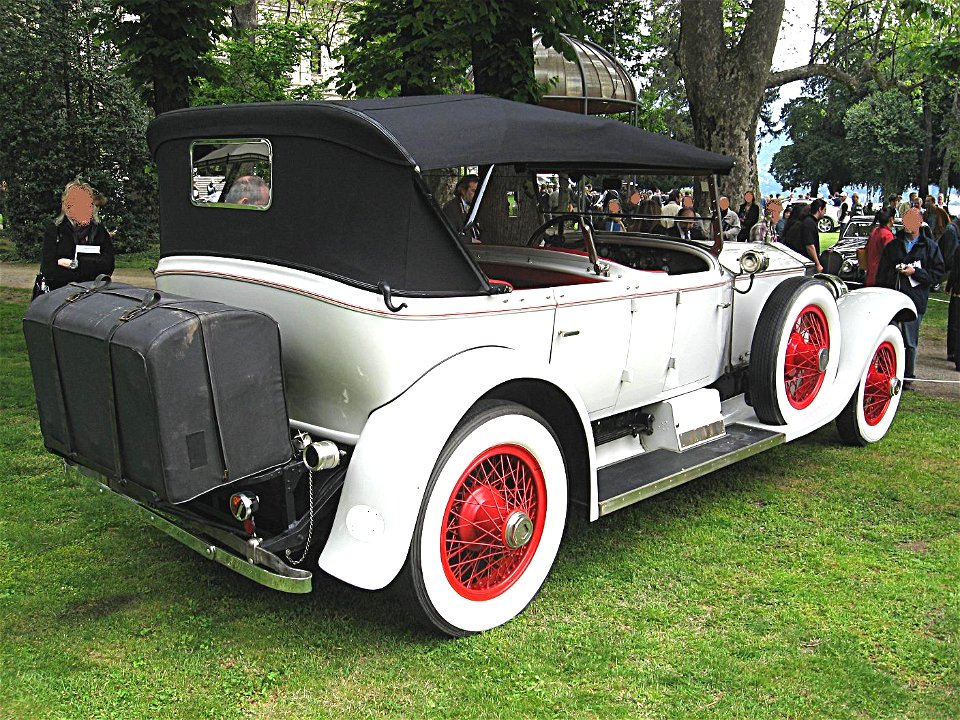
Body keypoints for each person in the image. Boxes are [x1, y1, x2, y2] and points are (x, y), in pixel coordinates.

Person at [876, 207, 945, 383]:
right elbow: (882, 271)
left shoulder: (930, 246)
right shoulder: (893, 244)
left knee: (909, 341)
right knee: (889, 336)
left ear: (919, 223)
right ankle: (886, 372)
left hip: (915, 299)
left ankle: (907, 376)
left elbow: (937, 274)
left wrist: (916, 272)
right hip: (893, 296)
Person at [40, 180, 115, 292]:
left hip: (93, 294)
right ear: (67, 206)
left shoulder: (99, 231)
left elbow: (108, 266)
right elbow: (49, 270)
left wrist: (71, 264)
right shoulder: (55, 230)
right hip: (60, 294)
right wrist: (91, 267)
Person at [781, 199, 824, 272]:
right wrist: (817, 263)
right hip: (803, 259)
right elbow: (809, 245)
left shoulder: (791, 226)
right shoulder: (806, 224)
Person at [442, 174, 480, 243]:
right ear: (463, 190)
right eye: (474, 191)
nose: (477, 195)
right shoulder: (451, 208)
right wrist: (471, 240)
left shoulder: (472, 207)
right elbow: (448, 236)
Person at [863, 209, 895, 287]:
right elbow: (891, 256)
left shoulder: (875, 231)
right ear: (891, 219)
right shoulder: (887, 235)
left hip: (870, 273)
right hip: (881, 276)